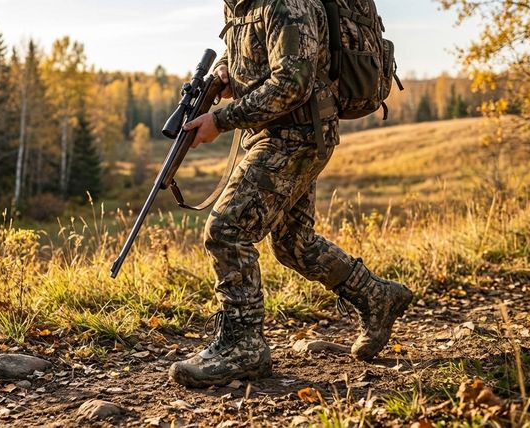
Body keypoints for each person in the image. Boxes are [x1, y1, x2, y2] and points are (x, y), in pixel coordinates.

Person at [168, 0, 413, 388]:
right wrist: (227, 71)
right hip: (278, 132)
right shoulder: (239, 5)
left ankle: (243, 347)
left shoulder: (284, 2)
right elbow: (256, 51)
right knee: (294, 243)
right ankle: (377, 298)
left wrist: (221, 119)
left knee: (227, 229)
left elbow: (292, 82)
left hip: (296, 135)